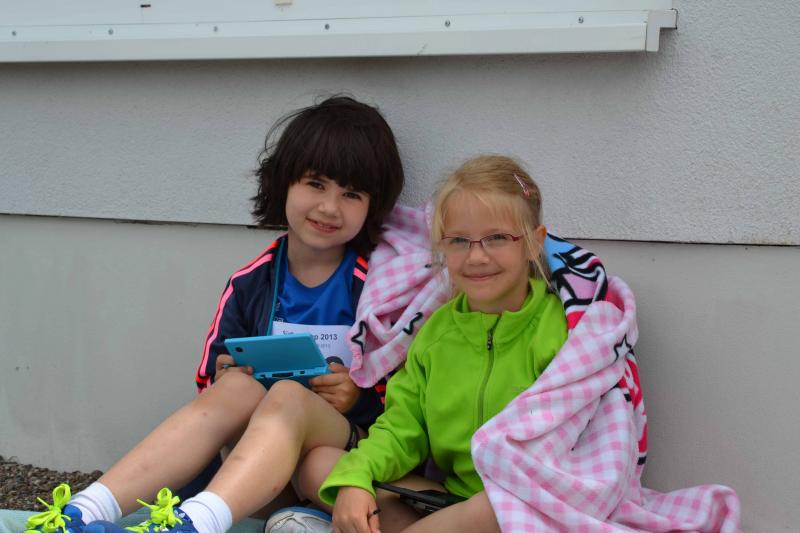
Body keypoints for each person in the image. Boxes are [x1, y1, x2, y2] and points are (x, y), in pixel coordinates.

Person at [23, 95, 405, 533]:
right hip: (257, 469)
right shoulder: (252, 282)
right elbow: (209, 385)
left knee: (287, 396)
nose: (329, 207)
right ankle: (81, 512)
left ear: (374, 205)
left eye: (351, 194)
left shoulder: (380, 288)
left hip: (343, 459)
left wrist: (359, 396)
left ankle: (195, 524)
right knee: (238, 387)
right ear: (283, 183)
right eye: (315, 184)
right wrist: (227, 374)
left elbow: (410, 401)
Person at [315, 154, 569, 533]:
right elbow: (402, 427)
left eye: (498, 238)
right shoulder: (436, 332)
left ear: (534, 242)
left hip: (528, 507)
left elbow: (571, 452)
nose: (477, 256)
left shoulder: (560, 329)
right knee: (324, 466)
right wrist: (358, 477)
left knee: (490, 507)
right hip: (451, 501)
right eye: (459, 241)